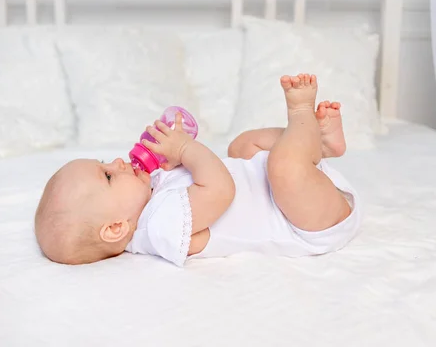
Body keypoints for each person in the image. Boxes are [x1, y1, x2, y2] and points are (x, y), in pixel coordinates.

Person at [35, 74, 360, 266]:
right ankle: (302, 116)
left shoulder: (149, 197)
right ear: (116, 227)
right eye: (107, 175)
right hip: (308, 222)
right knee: (284, 167)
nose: (117, 163)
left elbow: (195, 179)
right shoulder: (158, 225)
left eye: (105, 161)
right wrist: (185, 151)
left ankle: (317, 148)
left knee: (241, 148)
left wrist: (173, 159)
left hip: (297, 197)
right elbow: (220, 190)